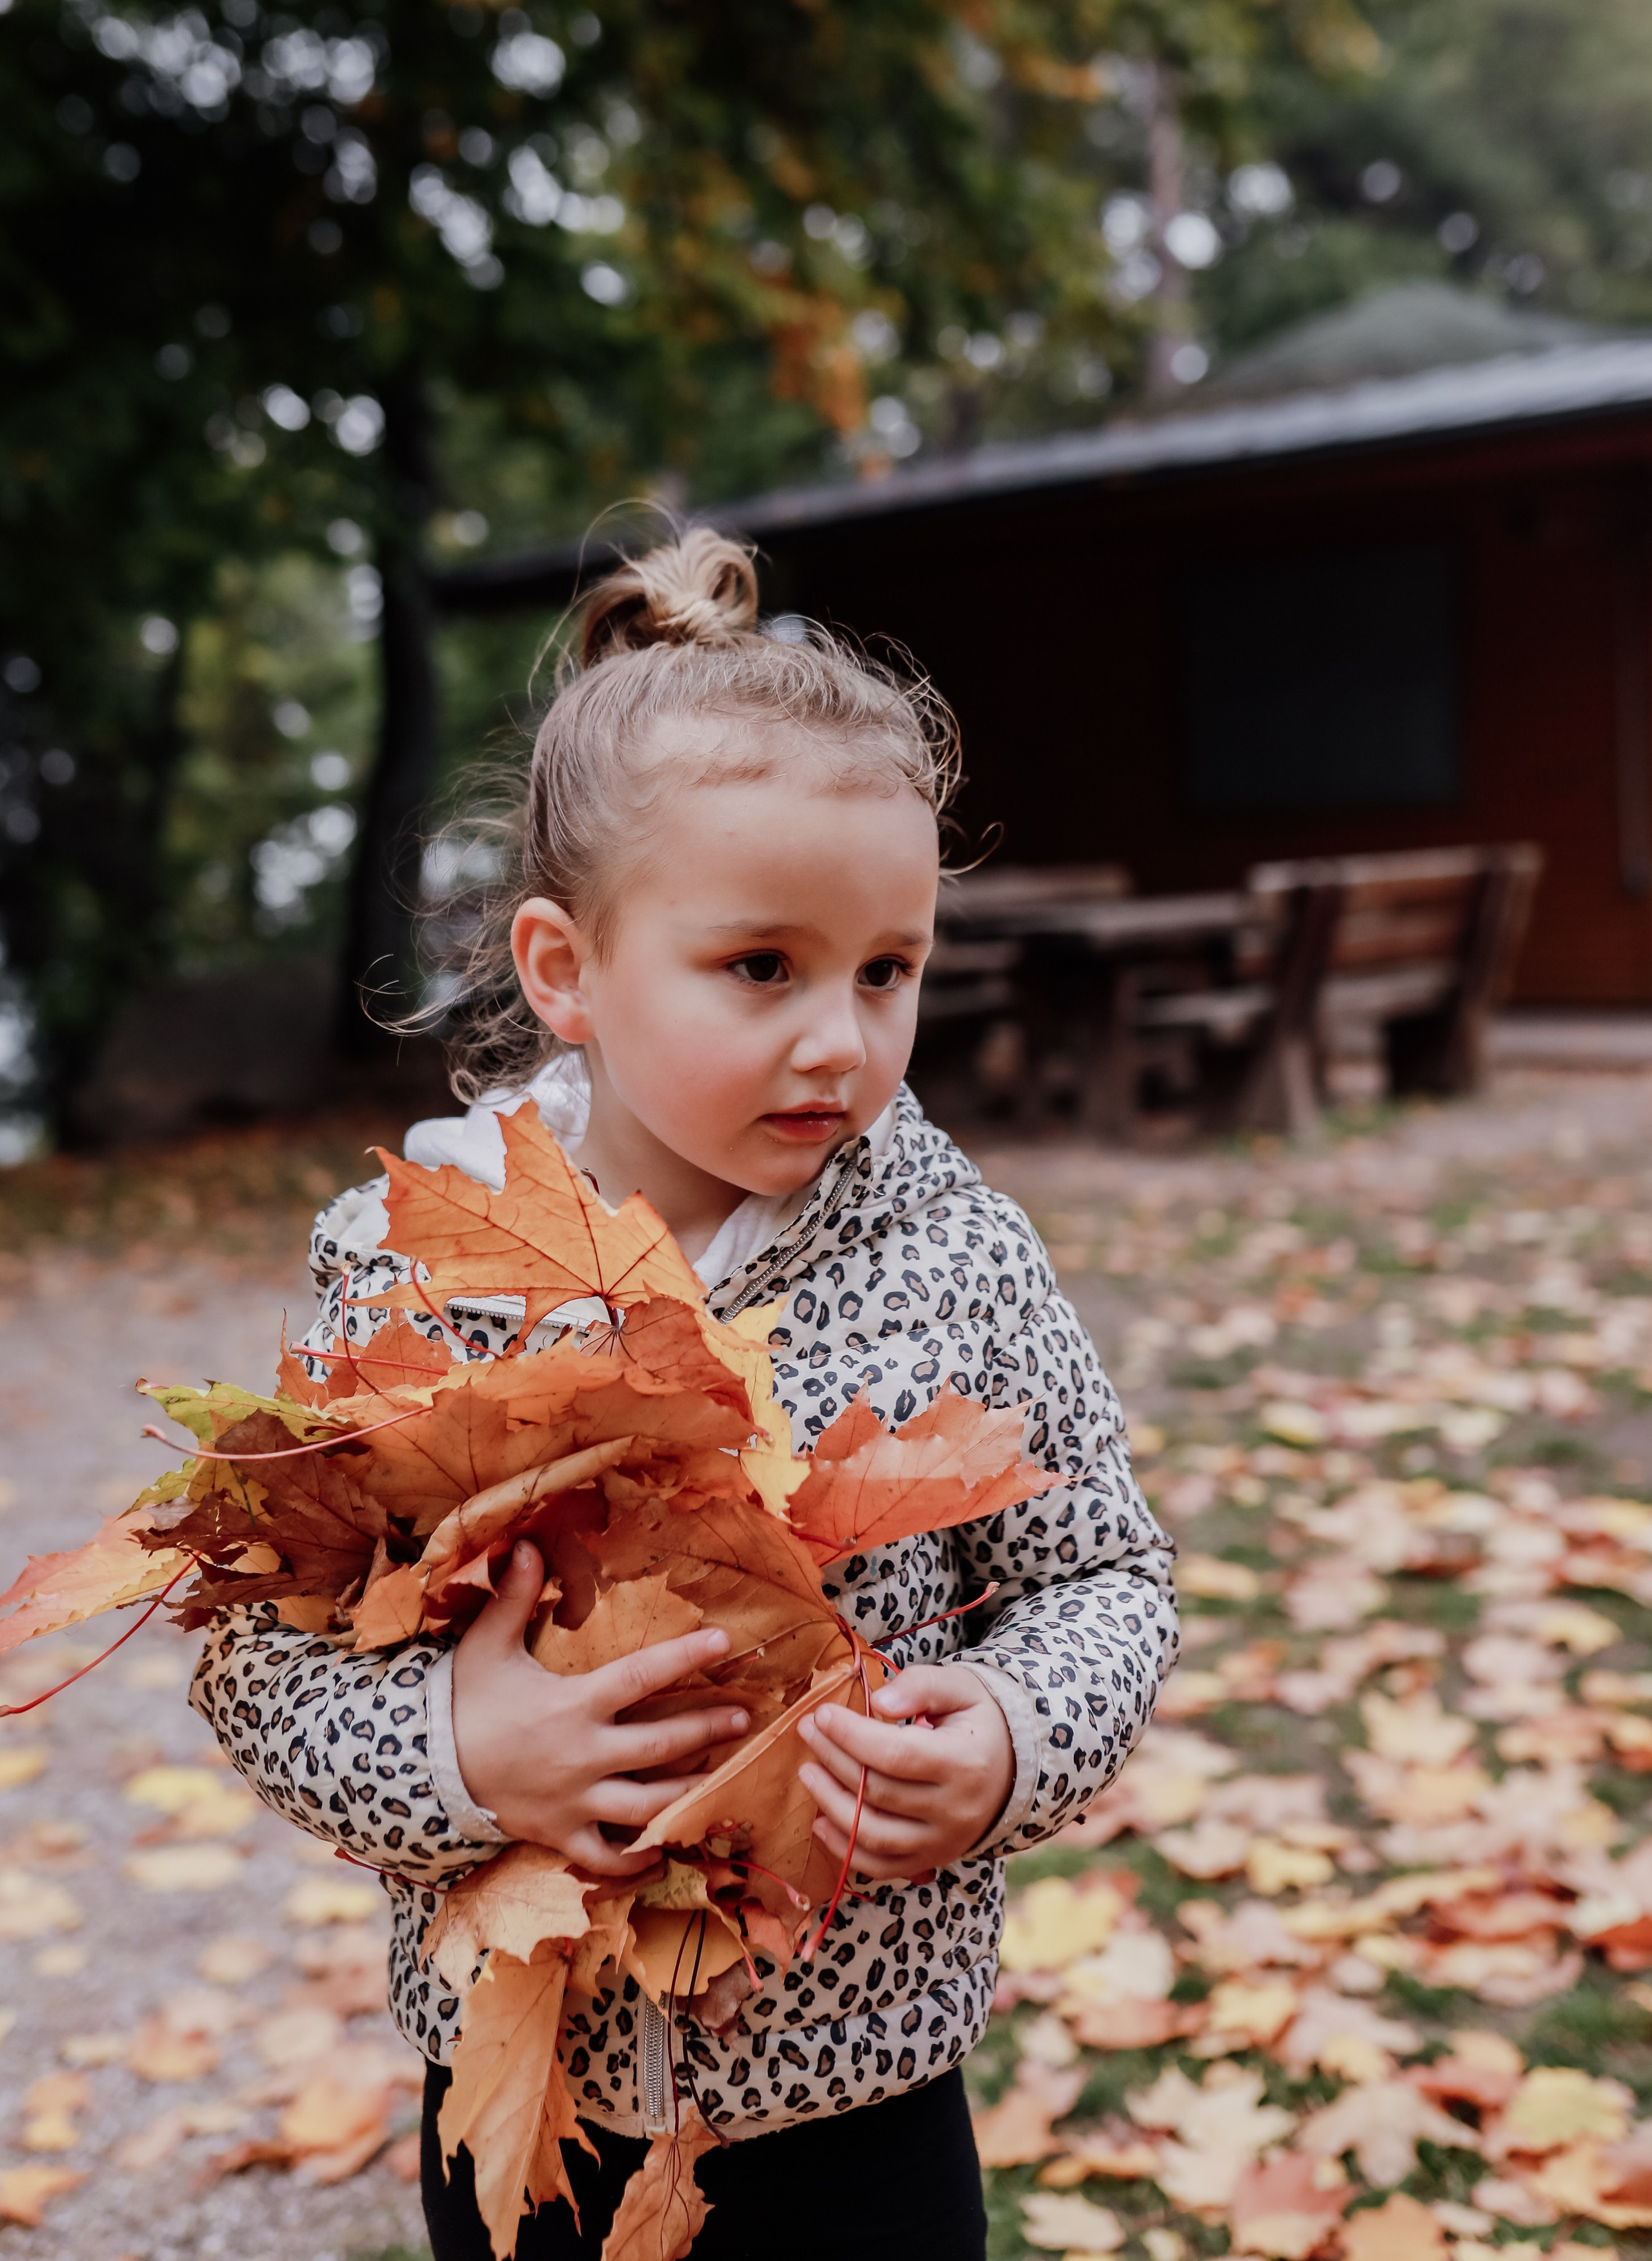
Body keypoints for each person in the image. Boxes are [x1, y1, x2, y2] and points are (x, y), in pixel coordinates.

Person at [190, 529, 1179, 2260]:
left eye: (889, 970)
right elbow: (260, 1653)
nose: (841, 1042)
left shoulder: (958, 1257)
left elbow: (1104, 1573)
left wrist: (1013, 1736)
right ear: (567, 970)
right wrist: (454, 1755)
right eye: (762, 969)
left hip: (855, 2080)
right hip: (525, 2080)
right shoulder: (410, 1266)